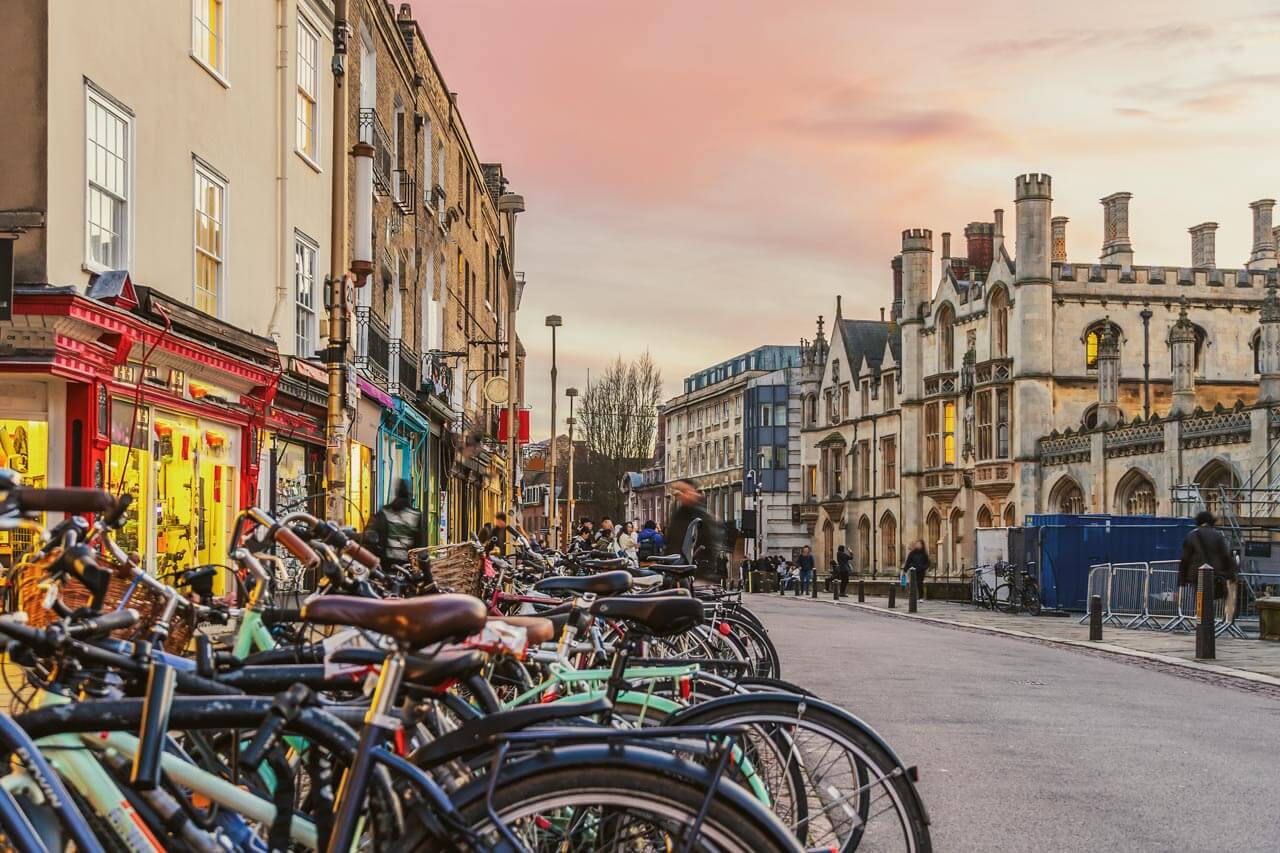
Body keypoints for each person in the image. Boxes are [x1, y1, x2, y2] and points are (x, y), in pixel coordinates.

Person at [1179, 510, 1239, 623]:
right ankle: (1207, 623)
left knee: (1200, 598)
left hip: (1196, 574)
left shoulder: (1191, 535)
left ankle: (1201, 622)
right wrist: (1231, 574)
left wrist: (1182, 580)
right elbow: (1225, 555)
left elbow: (1185, 559)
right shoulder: (1217, 535)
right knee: (1211, 599)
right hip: (1214, 573)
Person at [664, 479, 725, 582]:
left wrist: (703, 571)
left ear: (693, 492)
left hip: (695, 573)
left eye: (684, 491)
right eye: (678, 491)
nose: (678, 494)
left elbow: (712, 545)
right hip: (677, 571)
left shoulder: (704, 516)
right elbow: (671, 543)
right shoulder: (678, 515)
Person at [365, 478, 426, 571]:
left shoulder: (384, 512)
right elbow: (420, 547)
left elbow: (372, 539)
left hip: (386, 566)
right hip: (407, 567)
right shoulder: (416, 516)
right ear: (410, 495)